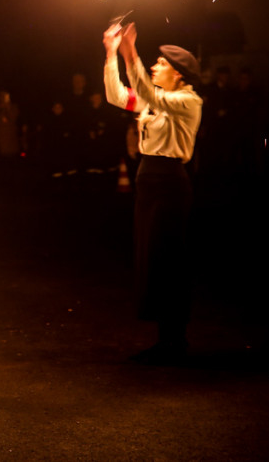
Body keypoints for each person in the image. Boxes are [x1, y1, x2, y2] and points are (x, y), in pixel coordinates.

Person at [103, 22, 202, 364]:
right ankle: (166, 340)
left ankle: (176, 340)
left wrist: (131, 51)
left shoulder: (187, 101)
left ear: (178, 74)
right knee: (152, 258)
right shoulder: (154, 101)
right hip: (149, 178)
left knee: (170, 258)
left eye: (160, 64)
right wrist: (111, 53)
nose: (154, 67)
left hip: (170, 180)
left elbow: (147, 92)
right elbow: (116, 95)